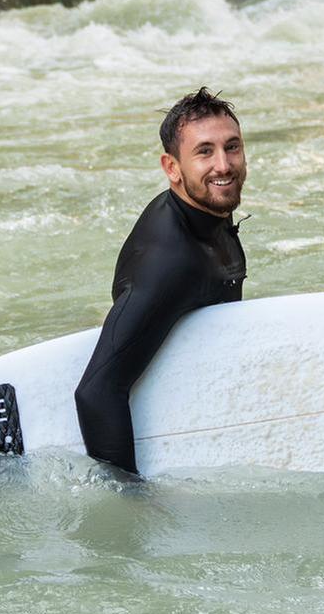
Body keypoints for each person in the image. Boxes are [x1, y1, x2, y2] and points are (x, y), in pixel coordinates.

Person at [71, 88, 248, 476]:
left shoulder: (203, 214)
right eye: (204, 152)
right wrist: (131, 502)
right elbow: (96, 393)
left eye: (232, 147)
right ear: (172, 168)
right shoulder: (171, 263)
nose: (224, 165)